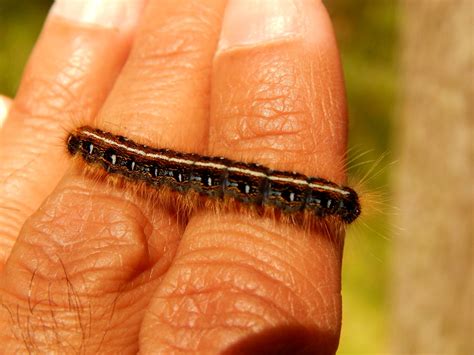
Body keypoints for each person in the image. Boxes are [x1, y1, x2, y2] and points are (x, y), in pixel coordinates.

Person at [0, 0, 349, 353]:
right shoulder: (132, 164)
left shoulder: (128, 164)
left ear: (100, 158)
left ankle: (319, 198)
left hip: (286, 190)